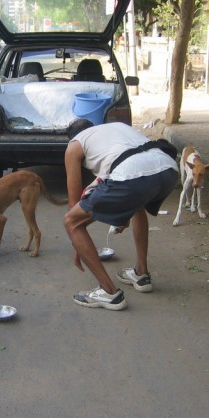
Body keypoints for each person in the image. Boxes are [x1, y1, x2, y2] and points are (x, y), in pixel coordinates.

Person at [63, 119, 179, 310]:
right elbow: (126, 188)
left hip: (133, 174)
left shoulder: (74, 145)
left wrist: (77, 243)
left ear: (72, 137)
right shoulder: (116, 129)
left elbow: (74, 203)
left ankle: (109, 292)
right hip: (168, 170)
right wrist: (122, 215)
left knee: (71, 221)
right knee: (138, 205)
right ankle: (141, 274)